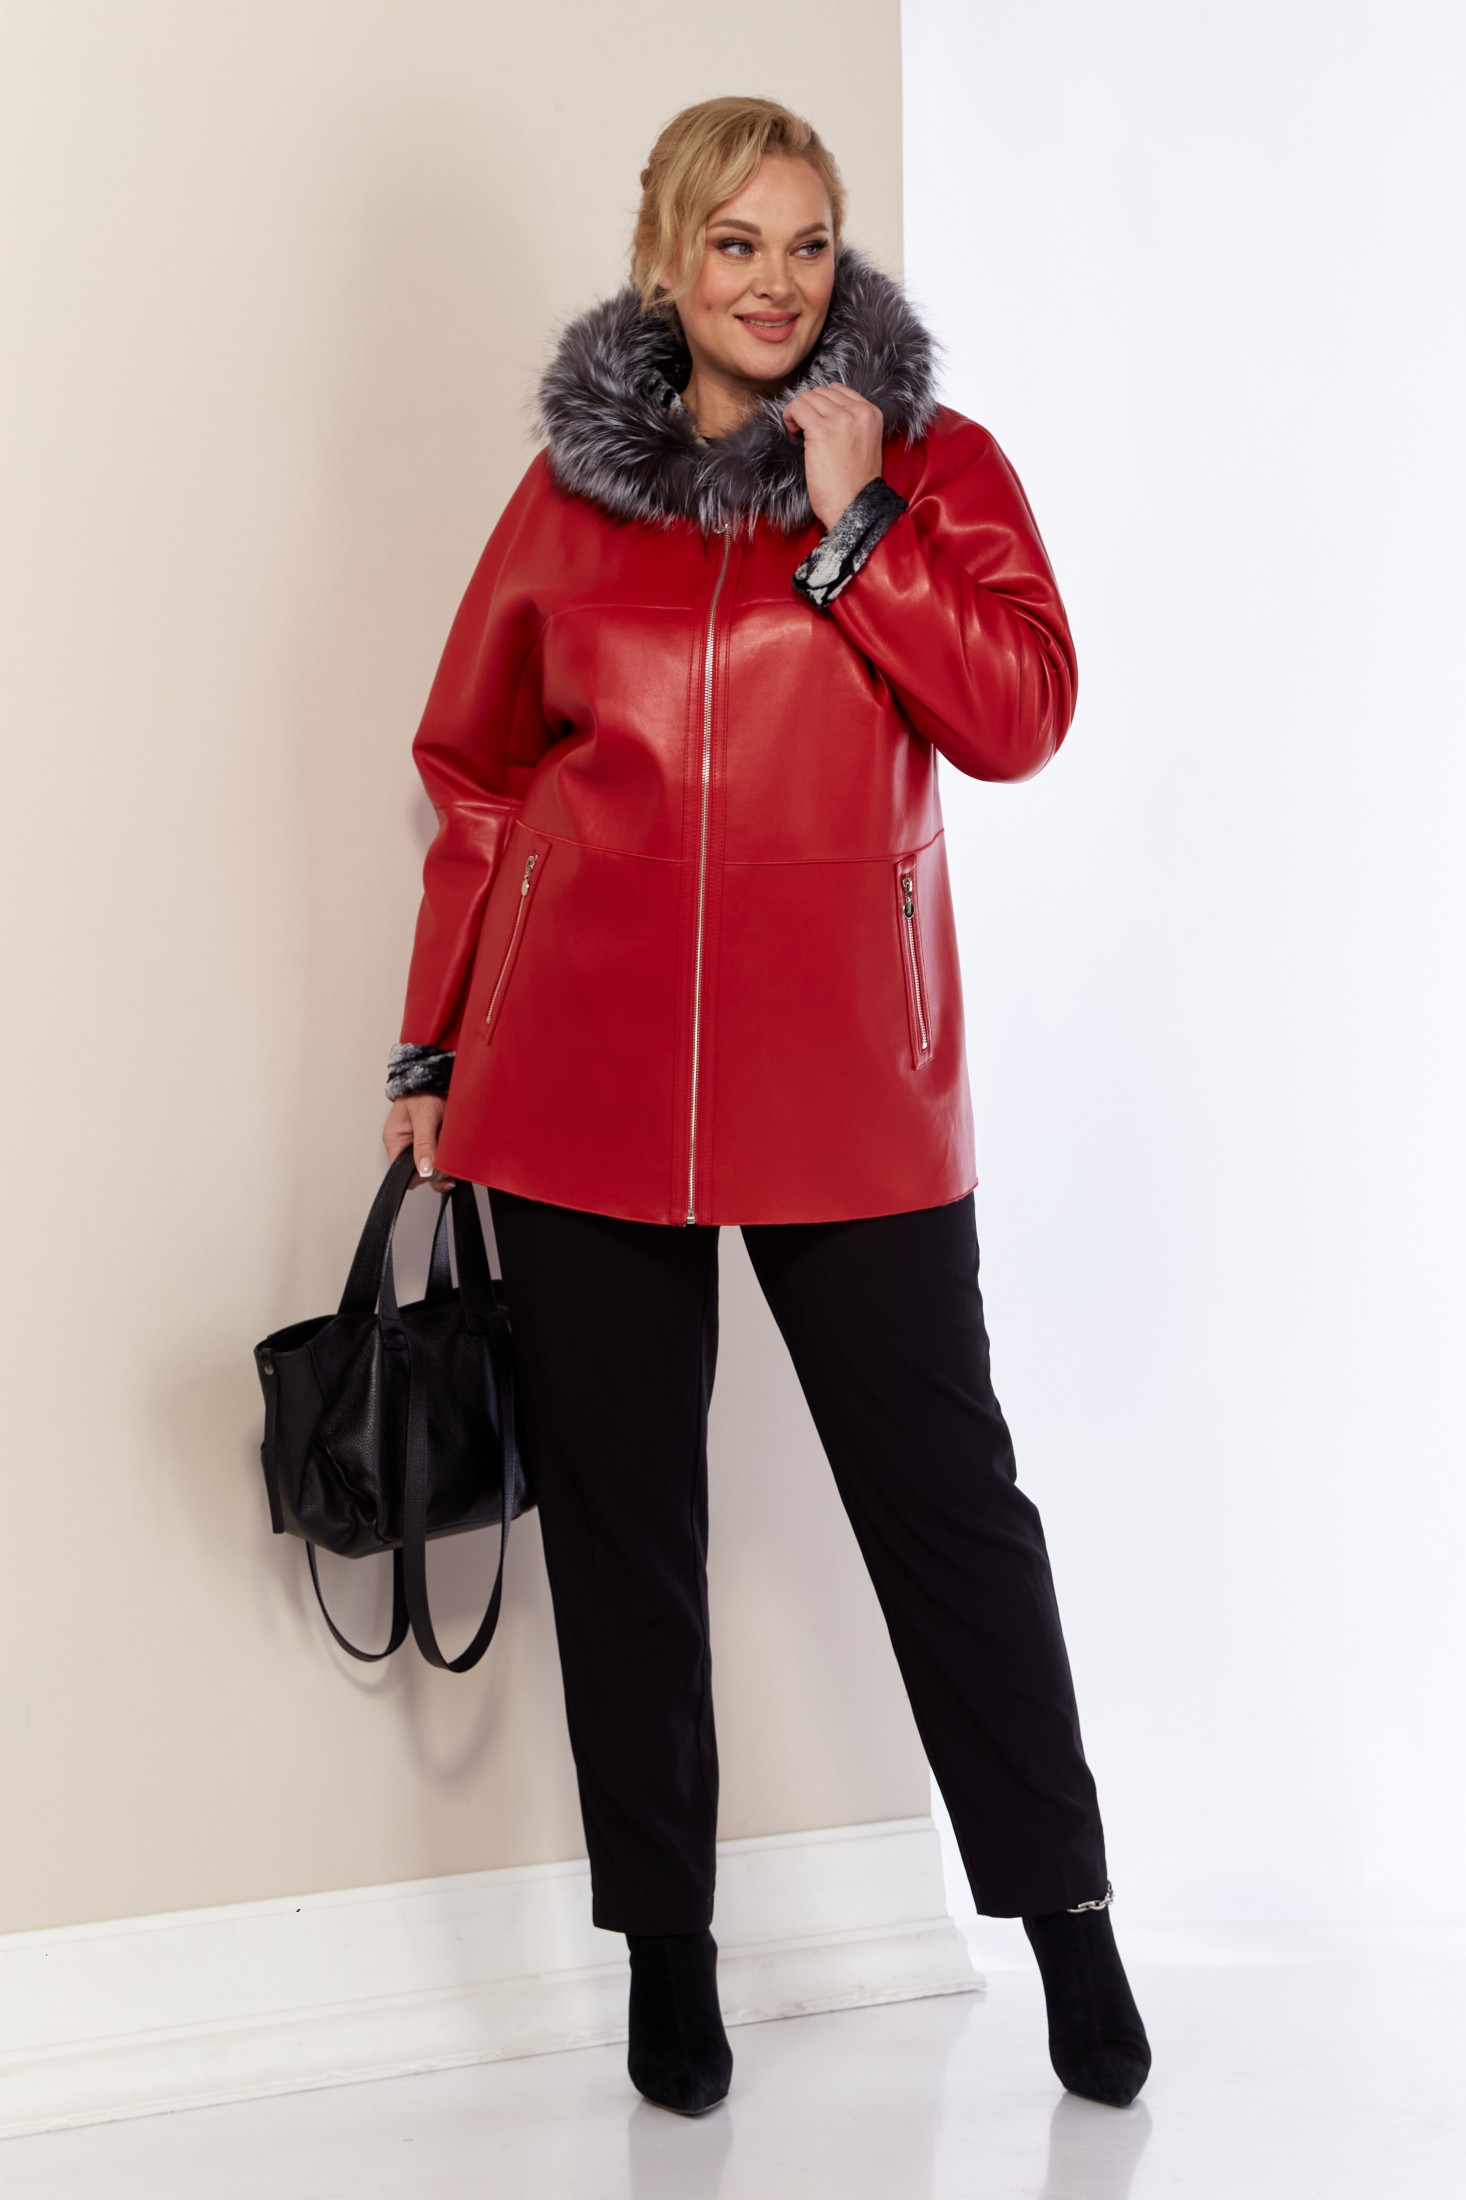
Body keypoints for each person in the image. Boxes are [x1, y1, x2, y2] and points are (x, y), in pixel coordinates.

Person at [382, 95, 1151, 2117]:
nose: (775, 282)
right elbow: (477, 773)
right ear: (666, 257)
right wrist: (430, 1048)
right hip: (579, 1076)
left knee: (948, 1510)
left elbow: (1017, 715)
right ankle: (669, 1953)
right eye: (736, 244)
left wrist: (858, 524)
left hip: (849, 1088)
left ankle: (1069, 1923)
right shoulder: (569, 495)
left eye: (807, 244)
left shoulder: (930, 465)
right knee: (626, 1531)